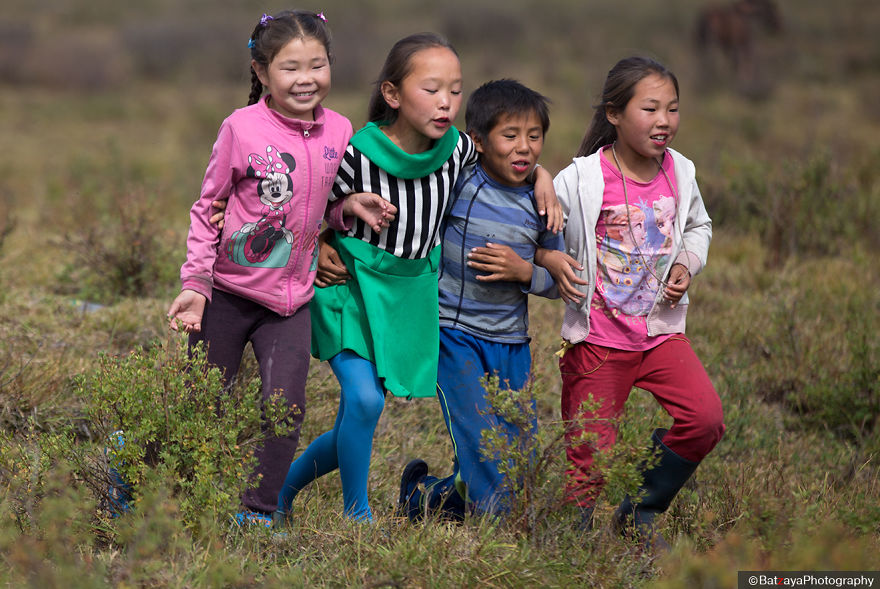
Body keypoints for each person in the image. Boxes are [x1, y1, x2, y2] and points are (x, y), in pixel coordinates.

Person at [273, 34, 562, 524]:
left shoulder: (456, 152)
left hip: (408, 296)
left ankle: (281, 495)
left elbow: (506, 159)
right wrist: (325, 235)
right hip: (351, 287)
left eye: (455, 90)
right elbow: (311, 206)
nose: (446, 102)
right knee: (363, 400)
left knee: (355, 421)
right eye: (431, 90)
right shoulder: (355, 152)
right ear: (392, 94)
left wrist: (544, 177)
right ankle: (356, 513)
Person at [166, 10, 391, 527]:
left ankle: (258, 512)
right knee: (201, 404)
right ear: (262, 72)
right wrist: (197, 284)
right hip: (228, 292)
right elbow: (208, 208)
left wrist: (346, 208)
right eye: (290, 68)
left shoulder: (339, 128)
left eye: (317, 65)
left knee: (284, 408)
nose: (305, 78)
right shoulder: (240, 129)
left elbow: (314, 204)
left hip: (291, 301)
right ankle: (134, 473)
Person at [538, 56, 725, 552]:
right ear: (615, 114)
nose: (663, 120)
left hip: (659, 333)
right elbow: (536, 233)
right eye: (650, 108)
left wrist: (687, 262)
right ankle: (571, 550)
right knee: (590, 459)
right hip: (598, 342)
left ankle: (641, 511)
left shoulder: (680, 171)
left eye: (673, 108)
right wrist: (544, 261)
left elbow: (698, 226)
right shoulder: (579, 180)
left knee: (704, 419)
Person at [396, 79, 563, 521]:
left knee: (517, 451)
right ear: (479, 142)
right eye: (509, 136)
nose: (523, 148)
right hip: (454, 335)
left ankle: (425, 499)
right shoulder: (460, 180)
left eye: (534, 137)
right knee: (479, 437)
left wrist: (525, 271)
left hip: (512, 344)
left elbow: (562, 280)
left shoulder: (544, 205)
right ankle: (499, 526)